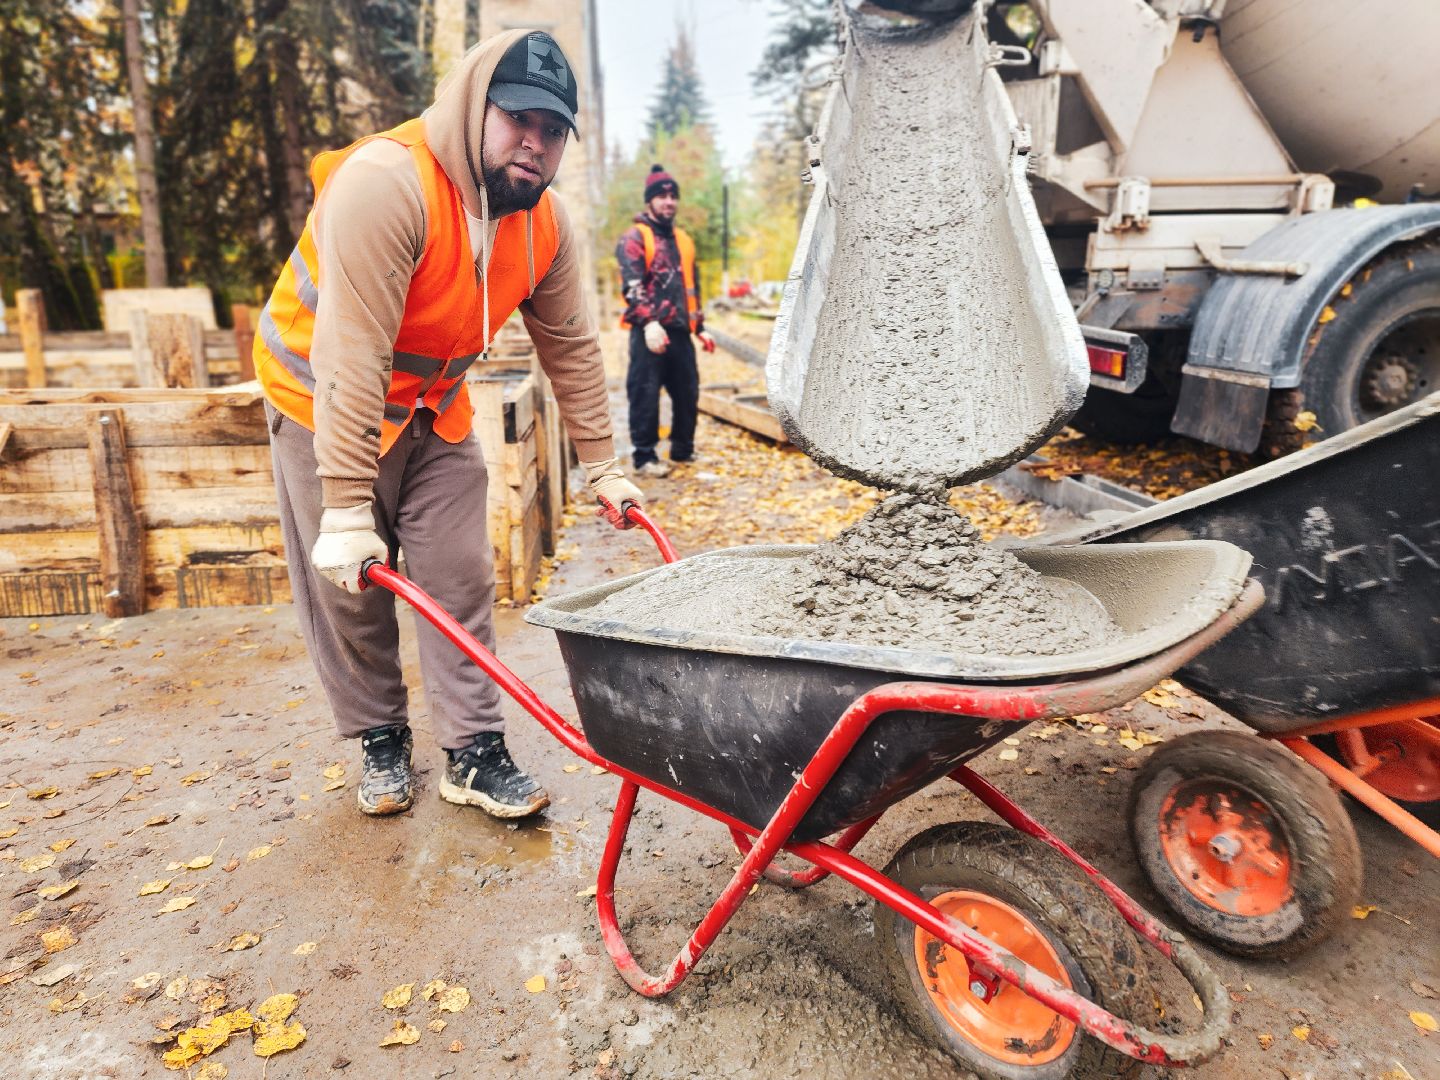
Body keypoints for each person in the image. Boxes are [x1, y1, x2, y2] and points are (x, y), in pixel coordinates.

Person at [252, 29, 644, 820]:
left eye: (554, 131)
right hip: (319, 395)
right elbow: (352, 355)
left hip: (434, 404)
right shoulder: (385, 185)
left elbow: (568, 343)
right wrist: (348, 506)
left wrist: (603, 464)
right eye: (518, 121)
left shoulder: (544, 223)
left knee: (458, 576)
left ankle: (471, 750)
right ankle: (380, 734)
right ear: (474, 109)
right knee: (353, 589)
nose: (534, 145)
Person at [616, 165, 716, 478]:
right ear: (650, 201)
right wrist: (648, 323)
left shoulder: (684, 240)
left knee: (688, 392)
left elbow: (691, 286)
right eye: (661, 196)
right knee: (645, 393)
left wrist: (699, 326)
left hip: (680, 331)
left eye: (673, 196)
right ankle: (645, 457)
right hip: (650, 332)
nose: (668, 202)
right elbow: (632, 285)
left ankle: (682, 450)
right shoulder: (635, 237)